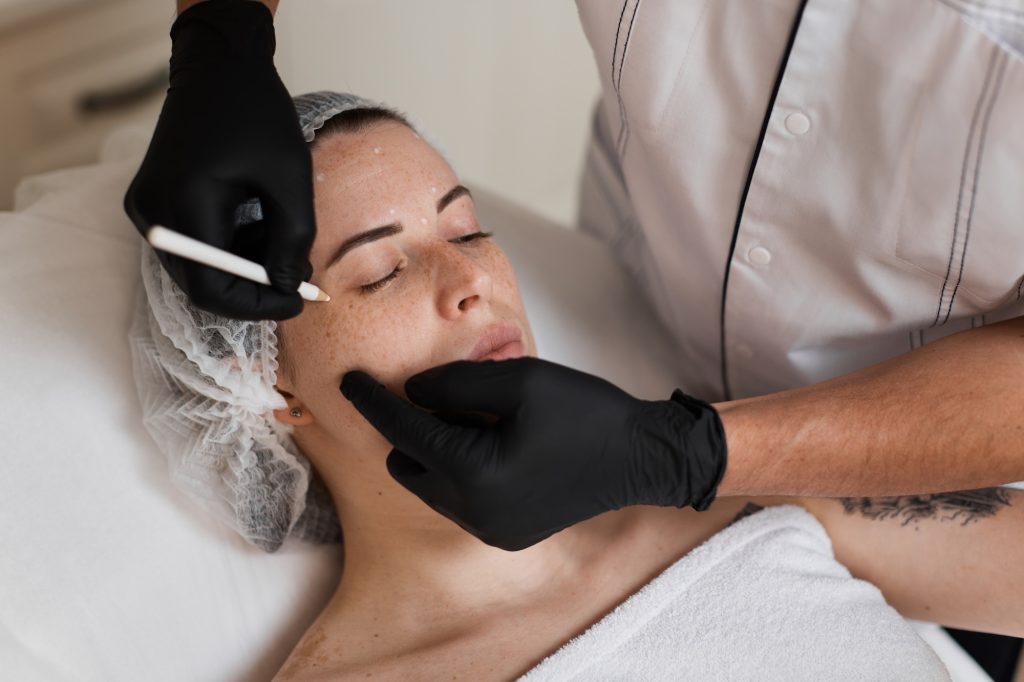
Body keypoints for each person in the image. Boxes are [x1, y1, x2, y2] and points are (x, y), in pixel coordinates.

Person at [130, 91, 1021, 681]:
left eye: (469, 231)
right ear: (263, 377)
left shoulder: (750, 506)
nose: (470, 280)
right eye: (379, 271)